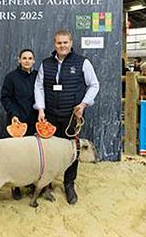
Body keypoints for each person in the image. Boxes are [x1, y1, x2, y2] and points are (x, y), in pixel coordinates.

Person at [34, 29, 99, 204]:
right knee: (48, 151)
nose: (62, 45)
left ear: (71, 43)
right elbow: (39, 87)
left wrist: (84, 104)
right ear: (54, 44)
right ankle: (45, 184)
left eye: (65, 42)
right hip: (50, 116)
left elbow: (94, 85)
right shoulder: (45, 64)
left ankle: (69, 184)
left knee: (72, 151)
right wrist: (40, 109)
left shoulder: (82, 62)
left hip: (72, 116)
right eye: (59, 43)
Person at [0, 48, 38, 200]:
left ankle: (30, 182)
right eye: (24, 58)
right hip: (17, 121)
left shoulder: (38, 76)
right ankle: (15, 186)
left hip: (35, 121)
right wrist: (14, 114)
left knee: (31, 155)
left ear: (34, 61)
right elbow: (5, 98)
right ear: (19, 60)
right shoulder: (11, 77)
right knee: (16, 156)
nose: (27, 61)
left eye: (30, 58)